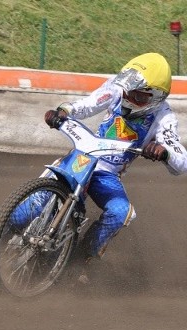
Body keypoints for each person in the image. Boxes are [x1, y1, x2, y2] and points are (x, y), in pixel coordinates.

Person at [44, 52, 187, 274]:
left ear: (156, 97)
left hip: (107, 174)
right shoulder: (117, 88)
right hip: (84, 157)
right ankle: (3, 234)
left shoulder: (164, 117)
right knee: (28, 208)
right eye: (129, 92)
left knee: (122, 212)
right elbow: (90, 104)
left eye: (138, 96)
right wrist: (65, 110)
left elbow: (181, 161)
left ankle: (81, 261)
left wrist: (164, 152)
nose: (129, 98)